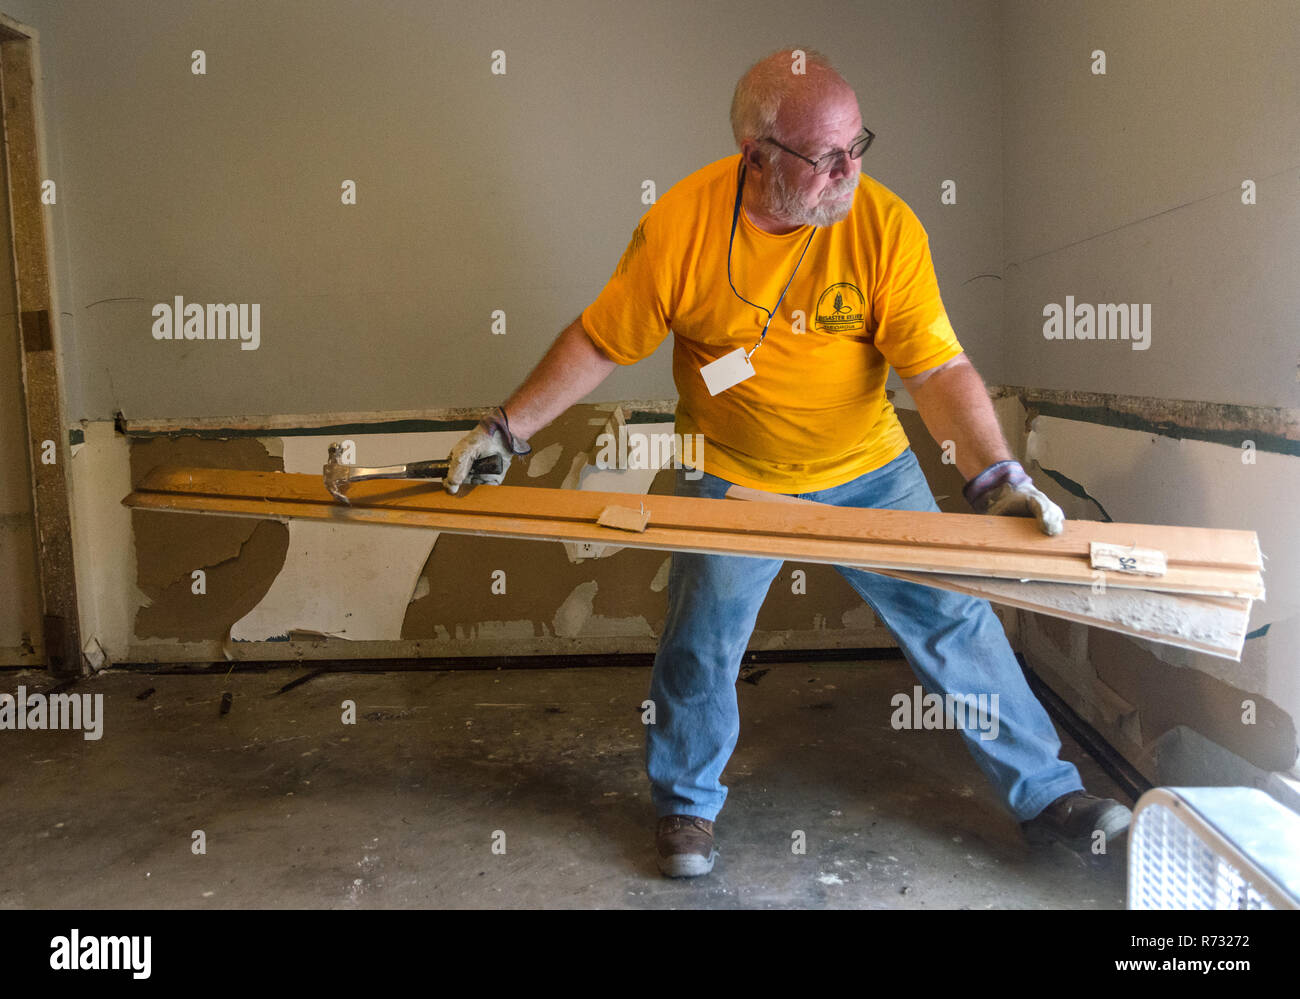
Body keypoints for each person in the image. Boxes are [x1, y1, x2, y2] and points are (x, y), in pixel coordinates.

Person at [445, 48, 1131, 878]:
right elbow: (599, 340)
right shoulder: (680, 227)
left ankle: (1049, 797)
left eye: (858, 147)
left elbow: (937, 368)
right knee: (703, 640)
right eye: (825, 157)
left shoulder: (884, 226)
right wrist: (506, 432)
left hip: (871, 465)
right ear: (757, 156)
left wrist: (995, 477)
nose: (850, 172)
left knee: (954, 620)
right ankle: (686, 808)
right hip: (734, 468)